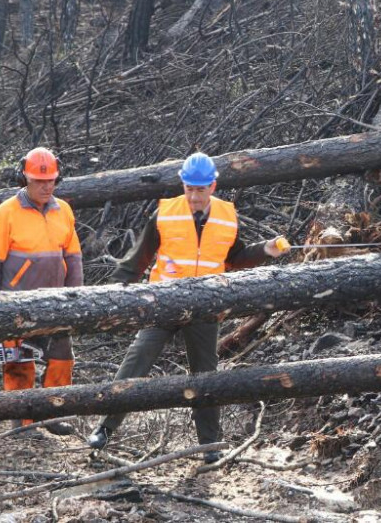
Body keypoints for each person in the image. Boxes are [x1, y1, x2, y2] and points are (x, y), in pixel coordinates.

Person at [86, 152, 289, 459]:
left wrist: (267, 249)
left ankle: (209, 445)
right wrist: (115, 294)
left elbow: (234, 258)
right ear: (183, 184)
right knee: (137, 358)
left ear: (213, 186)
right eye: (189, 188)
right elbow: (137, 259)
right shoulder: (165, 214)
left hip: (206, 307)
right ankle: (105, 428)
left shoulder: (226, 215)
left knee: (205, 375)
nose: (194, 195)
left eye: (201, 189)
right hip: (164, 303)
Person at [0, 147, 82, 436]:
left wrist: (78, 299)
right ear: (25, 178)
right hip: (16, 303)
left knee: (62, 359)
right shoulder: (7, 212)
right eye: (39, 181)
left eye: (50, 181)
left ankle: (54, 414)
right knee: (19, 363)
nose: (46, 186)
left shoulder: (64, 210)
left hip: (56, 302)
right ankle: (23, 422)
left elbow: (73, 258)